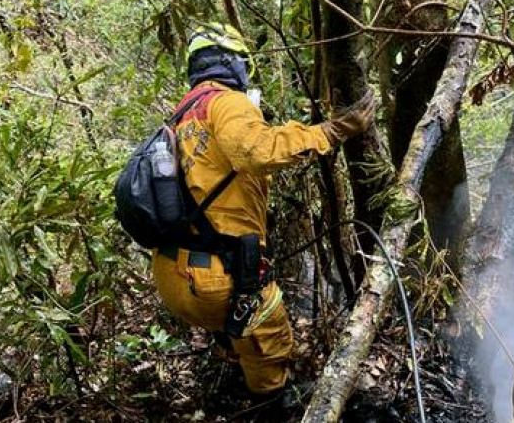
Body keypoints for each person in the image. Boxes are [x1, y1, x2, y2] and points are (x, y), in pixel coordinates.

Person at [151, 22, 375, 406]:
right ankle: (271, 403)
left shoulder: (183, 113)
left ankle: (234, 368)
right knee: (270, 343)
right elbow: (257, 149)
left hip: (174, 277)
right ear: (234, 63)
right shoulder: (225, 103)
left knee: (238, 335)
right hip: (218, 280)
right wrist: (332, 131)